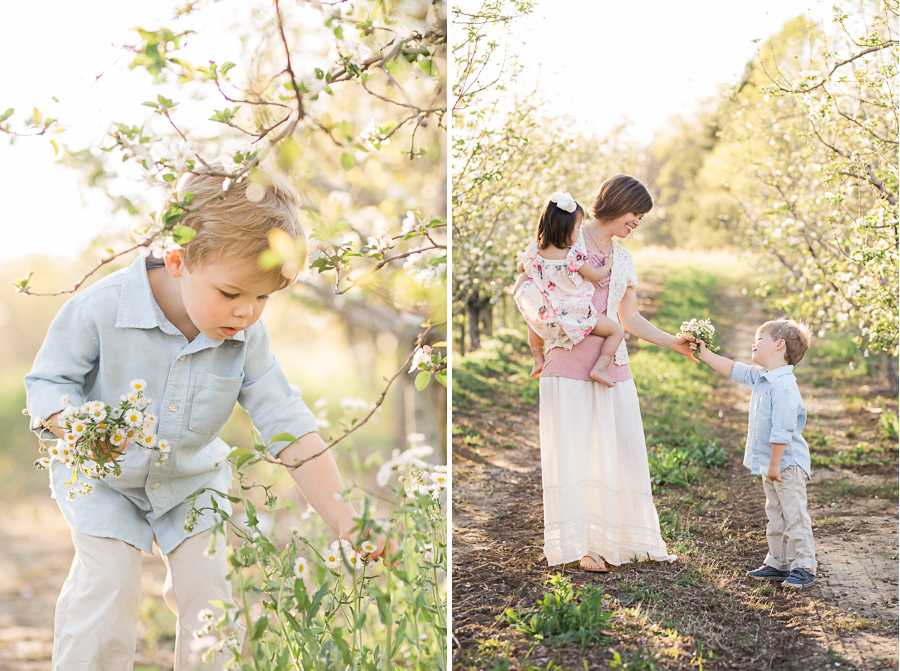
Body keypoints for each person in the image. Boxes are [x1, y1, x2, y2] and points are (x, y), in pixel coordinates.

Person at [24, 165, 396, 670]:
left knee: (213, 603)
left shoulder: (246, 338)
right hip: (102, 479)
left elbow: (287, 423)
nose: (247, 313)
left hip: (192, 484)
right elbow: (47, 383)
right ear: (177, 260)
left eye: (263, 297)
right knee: (107, 589)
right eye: (231, 294)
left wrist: (348, 520)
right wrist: (80, 428)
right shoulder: (99, 308)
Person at [536, 174, 696, 573]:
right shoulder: (568, 237)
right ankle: (585, 545)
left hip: (611, 361)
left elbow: (631, 318)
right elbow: (535, 286)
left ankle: (620, 536)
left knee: (622, 450)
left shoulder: (623, 258)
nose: (637, 222)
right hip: (569, 360)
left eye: (641, 216)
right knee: (578, 453)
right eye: (635, 213)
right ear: (617, 204)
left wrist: (672, 341)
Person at [691, 319, 816, 589]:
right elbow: (733, 369)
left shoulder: (783, 386)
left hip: (786, 464)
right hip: (773, 465)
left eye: (759, 339)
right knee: (775, 512)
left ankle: (804, 565)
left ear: (779, 345)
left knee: (793, 514)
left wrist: (774, 465)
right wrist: (704, 353)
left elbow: (782, 430)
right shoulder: (762, 376)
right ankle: (778, 562)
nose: (753, 344)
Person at [513, 191, 624, 387]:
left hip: (548, 313)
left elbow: (521, 268)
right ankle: (600, 367)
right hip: (576, 313)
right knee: (616, 331)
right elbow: (595, 275)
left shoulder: (534, 251)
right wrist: (607, 265)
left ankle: (538, 359)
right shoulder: (573, 256)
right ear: (566, 228)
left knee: (533, 324)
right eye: (577, 227)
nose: (579, 232)